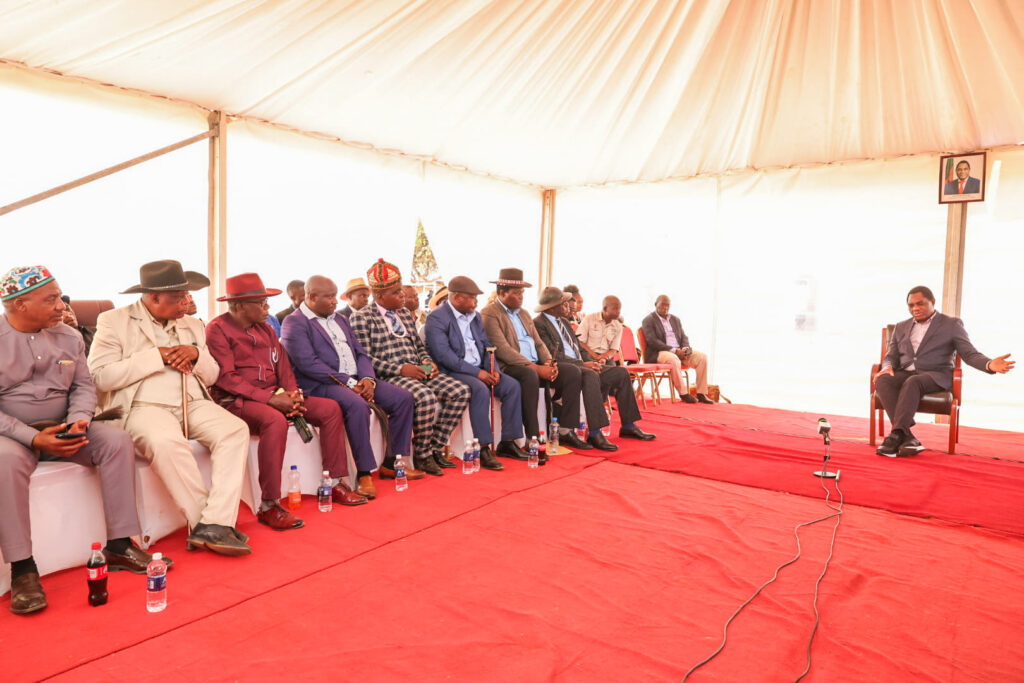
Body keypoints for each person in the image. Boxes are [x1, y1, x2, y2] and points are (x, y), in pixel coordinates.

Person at [0, 266, 171, 615]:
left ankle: (121, 544)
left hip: (66, 427)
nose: (61, 305)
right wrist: (33, 438)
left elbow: (83, 386)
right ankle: (23, 570)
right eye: (50, 300)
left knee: (115, 440)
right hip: (11, 435)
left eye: (60, 297)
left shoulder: (69, 336)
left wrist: (79, 421)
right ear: (18, 304)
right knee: (3, 461)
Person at [88, 260, 252, 556]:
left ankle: (213, 523)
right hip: (142, 406)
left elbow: (213, 375)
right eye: (179, 298)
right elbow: (99, 376)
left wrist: (196, 355)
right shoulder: (114, 321)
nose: (186, 303)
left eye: (186, 296)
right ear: (154, 298)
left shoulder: (193, 324)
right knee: (166, 442)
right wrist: (157, 357)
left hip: (192, 403)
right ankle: (208, 524)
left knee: (235, 430)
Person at [206, 273, 367, 530]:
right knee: (274, 420)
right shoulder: (217, 329)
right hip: (236, 401)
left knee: (330, 409)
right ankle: (269, 505)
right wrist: (271, 400)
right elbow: (226, 378)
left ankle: (335, 482)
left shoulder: (267, 329)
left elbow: (284, 368)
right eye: (261, 303)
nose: (267, 308)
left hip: (275, 395)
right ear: (238, 306)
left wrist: (293, 395)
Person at [280, 275, 421, 498]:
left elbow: (360, 353)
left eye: (336, 296)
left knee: (403, 398)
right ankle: (364, 473)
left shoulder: (341, 319)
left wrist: (368, 380)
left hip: (355, 380)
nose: (336, 301)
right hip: (320, 384)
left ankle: (393, 462)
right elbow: (308, 363)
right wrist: (349, 382)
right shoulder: (294, 322)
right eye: (329, 297)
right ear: (311, 297)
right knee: (357, 405)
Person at [350, 260, 470, 476]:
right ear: (379, 297)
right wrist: (401, 370)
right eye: (396, 293)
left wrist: (428, 362)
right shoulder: (361, 317)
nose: (402, 297)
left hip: (418, 371)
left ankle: (434, 446)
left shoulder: (404, 313)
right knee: (424, 396)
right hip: (390, 376)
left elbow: (419, 346)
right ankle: (422, 455)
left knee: (459, 392)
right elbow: (365, 359)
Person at [874, 286, 1013, 457]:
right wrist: (887, 366)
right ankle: (907, 437)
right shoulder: (901, 327)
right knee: (882, 379)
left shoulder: (951, 324)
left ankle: (896, 435)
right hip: (906, 372)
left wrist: (989, 364)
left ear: (932, 302)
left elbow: (969, 354)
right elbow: (891, 356)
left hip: (936, 374)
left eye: (920, 304)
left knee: (913, 381)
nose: (915, 308)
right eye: (911, 305)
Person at [479, 268, 588, 452]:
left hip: (535, 364)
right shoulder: (490, 313)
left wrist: (548, 362)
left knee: (571, 372)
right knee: (529, 375)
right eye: (517, 293)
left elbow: (538, 343)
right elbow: (503, 350)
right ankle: (533, 437)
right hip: (511, 366)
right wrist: (536, 369)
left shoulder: (524, 313)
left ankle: (565, 430)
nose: (521, 296)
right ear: (502, 293)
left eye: (522, 292)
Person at [424, 276, 529, 467]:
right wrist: (477, 373)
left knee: (512, 386)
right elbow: (444, 356)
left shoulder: (476, 316)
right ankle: (484, 447)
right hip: (452, 371)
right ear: (456, 298)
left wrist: (493, 369)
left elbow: (488, 345)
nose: (476, 302)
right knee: (479, 389)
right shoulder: (437, 318)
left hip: (480, 368)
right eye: (472, 297)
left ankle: (508, 442)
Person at [533, 287, 655, 449]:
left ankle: (628, 426)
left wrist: (592, 361)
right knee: (590, 375)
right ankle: (595, 433)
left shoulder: (563, 321)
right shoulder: (539, 324)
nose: (568, 306)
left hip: (581, 364)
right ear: (553, 306)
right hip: (562, 368)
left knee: (621, 372)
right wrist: (584, 364)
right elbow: (552, 355)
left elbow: (579, 348)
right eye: (564, 304)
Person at [641, 295, 713, 404]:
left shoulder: (675, 319)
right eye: (662, 305)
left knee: (702, 358)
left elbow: (683, 336)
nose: (665, 307)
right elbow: (652, 341)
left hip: (679, 351)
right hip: (660, 352)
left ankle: (701, 393)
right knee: (674, 359)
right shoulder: (648, 320)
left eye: (667, 305)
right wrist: (674, 351)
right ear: (656, 304)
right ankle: (683, 393)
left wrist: (684, 349)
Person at [576, 295, 624, 364]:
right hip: (588, 354)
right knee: (595, 366)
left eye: (619, 309)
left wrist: (604, 357)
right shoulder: (589, 318)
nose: (618, 312)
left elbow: (614, 349)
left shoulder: (618, 326)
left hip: (606, 357)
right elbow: (580, 342)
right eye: (615, 309)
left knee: (616, 369)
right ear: (605, 309)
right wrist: (595, 356)